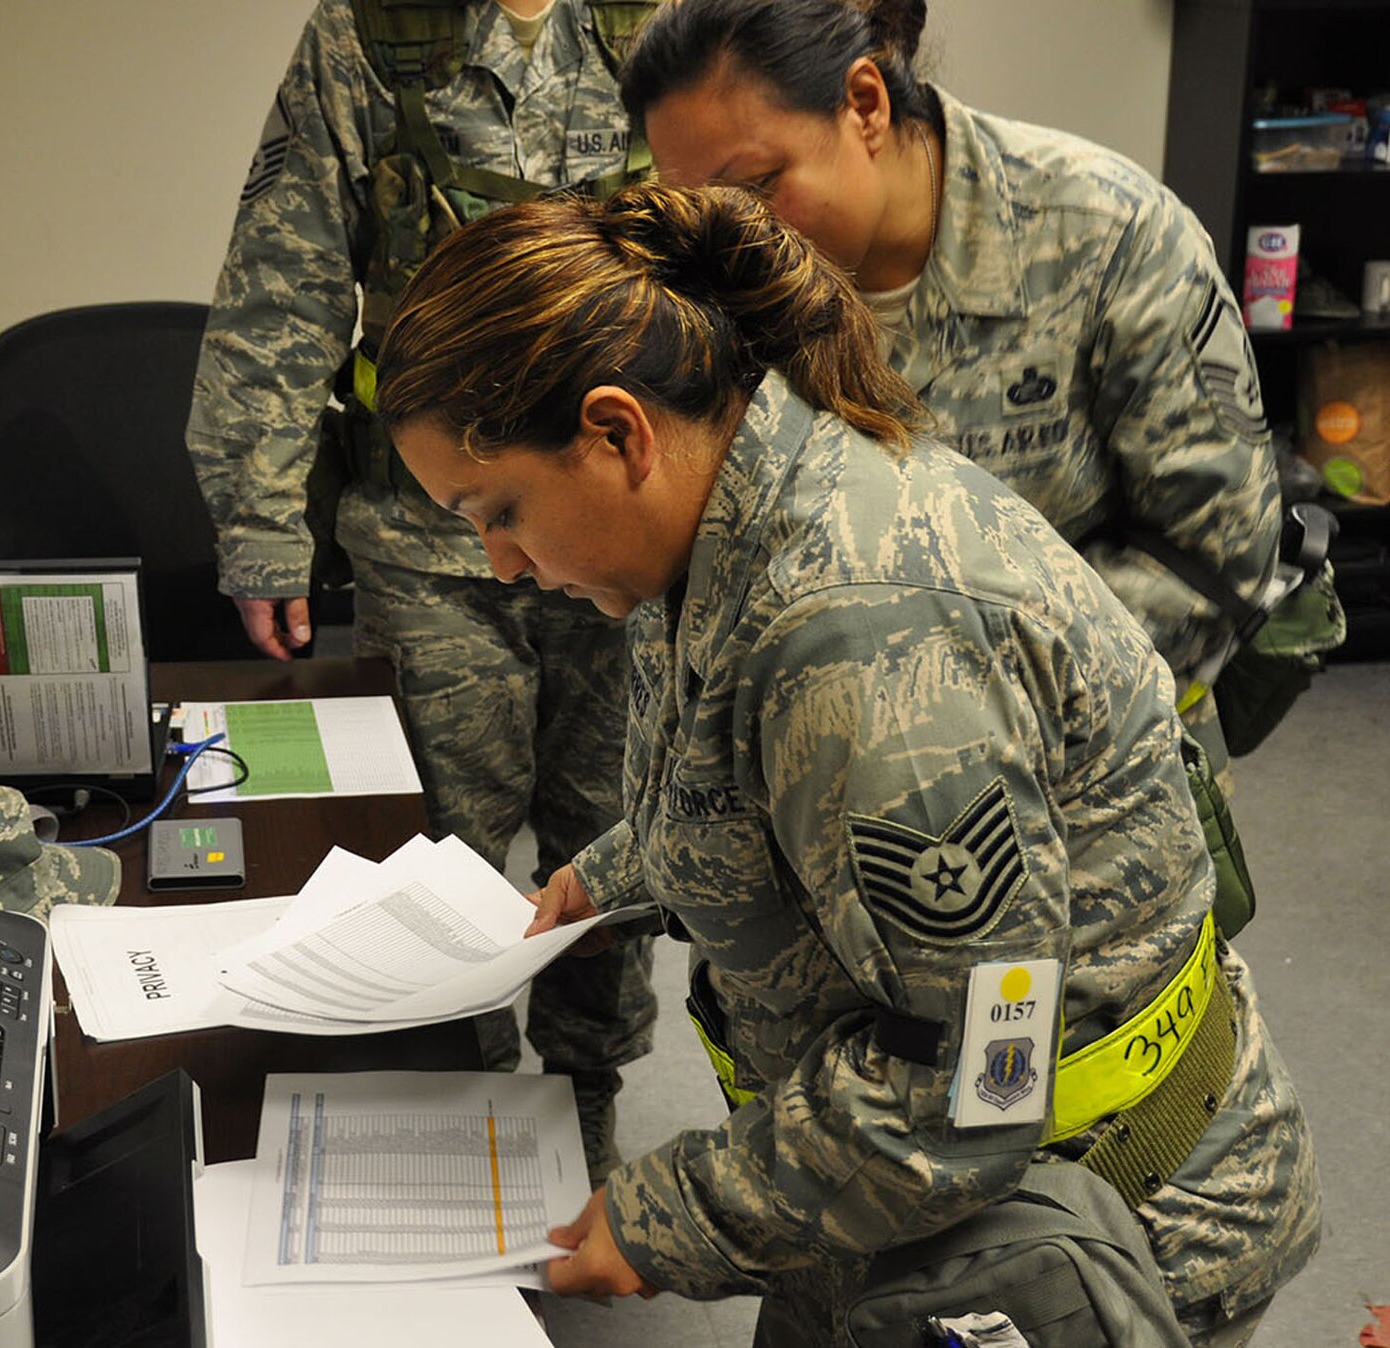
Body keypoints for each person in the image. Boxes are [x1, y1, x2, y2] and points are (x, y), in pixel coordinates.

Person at [373, 182, 1320, 1346]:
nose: (500, 563)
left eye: (498, 510)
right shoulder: (732, 505)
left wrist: (664, 1217)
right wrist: (618, 873)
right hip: (899, 1195)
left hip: (1082, 1236)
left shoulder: (853, 634)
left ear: (616, 433)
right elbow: (750, 781)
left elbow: (978, 1081)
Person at [186, 0, 664, 1182]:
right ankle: (467, 1100)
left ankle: (581, 1102)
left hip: (628, 532)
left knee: (617, 845)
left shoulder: (665, 22)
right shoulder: (371, 29)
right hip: (432, 540)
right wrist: (262, 528)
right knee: (435, 853)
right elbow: (282, 285)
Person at [618, 0, 1280, 781]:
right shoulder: (710, 282)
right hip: (813, 776)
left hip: (1089, 778)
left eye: (758, 185)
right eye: (700, 207)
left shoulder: (1107, 235)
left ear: (865, 105)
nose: (731, 237)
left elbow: (1217, 556)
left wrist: (957, 705)